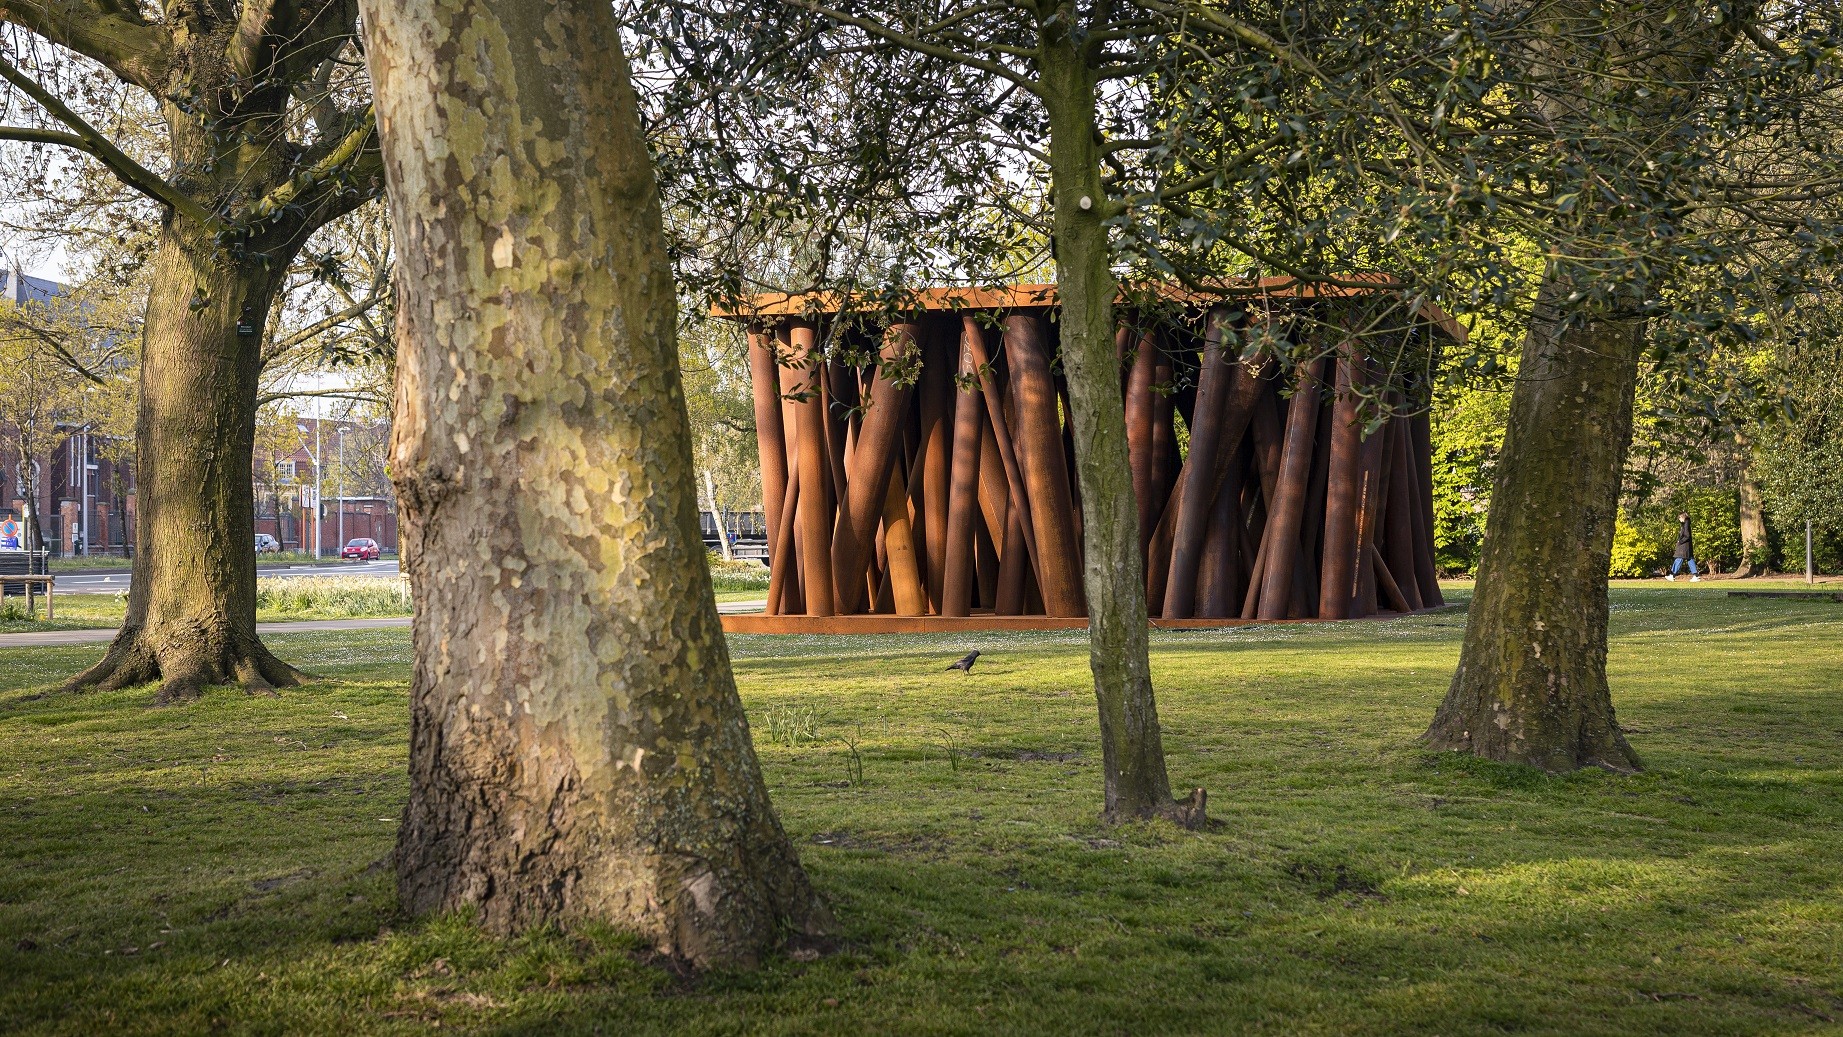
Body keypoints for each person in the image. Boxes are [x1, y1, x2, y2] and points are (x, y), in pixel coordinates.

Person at [1667, 511, 1701, 581]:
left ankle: (1672, 575)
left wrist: (1680, 541)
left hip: (1684, 545)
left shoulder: (1686, 524)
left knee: (1679, 558)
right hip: (1687, 545)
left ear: (1682, 517)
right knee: (1689, 559)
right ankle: (1696, 575)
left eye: (1679, 517)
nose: (1679, 519)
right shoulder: (1686, 523)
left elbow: (1687, 536)